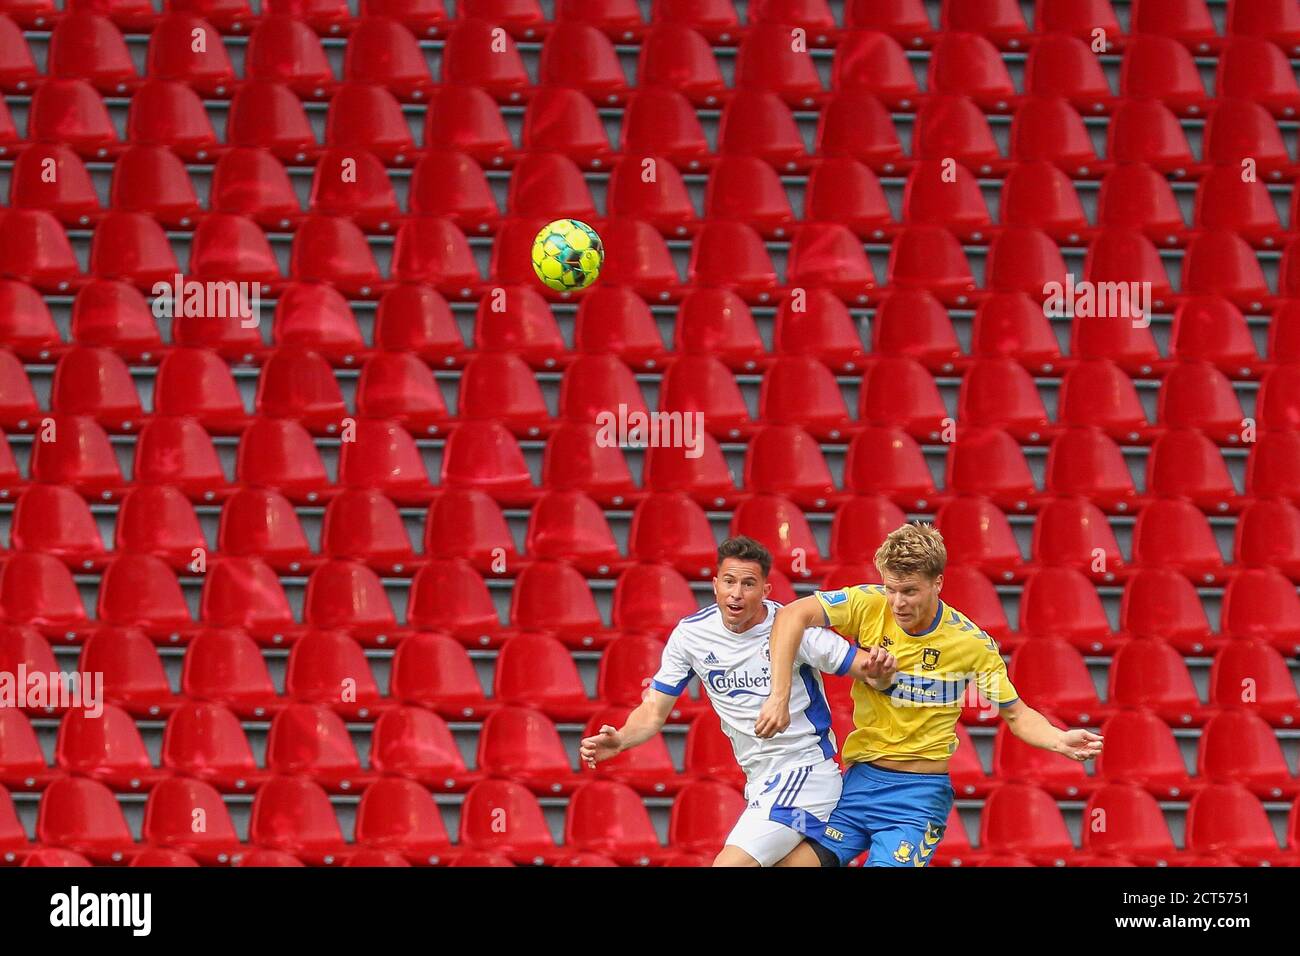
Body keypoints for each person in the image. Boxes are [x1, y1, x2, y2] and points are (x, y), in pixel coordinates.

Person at [755, 522, 1104, 867]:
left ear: (937, 582)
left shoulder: (970, 644)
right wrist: (779, 695)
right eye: (890, 589)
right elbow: (791, 615)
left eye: (909, 591)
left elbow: (1017, 714)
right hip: (858, 782)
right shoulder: (868, 604)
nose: (896, 602)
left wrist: (1058, 740)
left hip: (917, 797)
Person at [579, 535, 898, 867]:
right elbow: (653, 710)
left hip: (806, 773)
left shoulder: (791, 629)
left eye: (748, 584)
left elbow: (867, 670)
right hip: (760, 780)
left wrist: (881, 669)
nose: (736, 593)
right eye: (729, 582)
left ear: (765, 591)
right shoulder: (691, 635)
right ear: (715, 584)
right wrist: (622, 739)